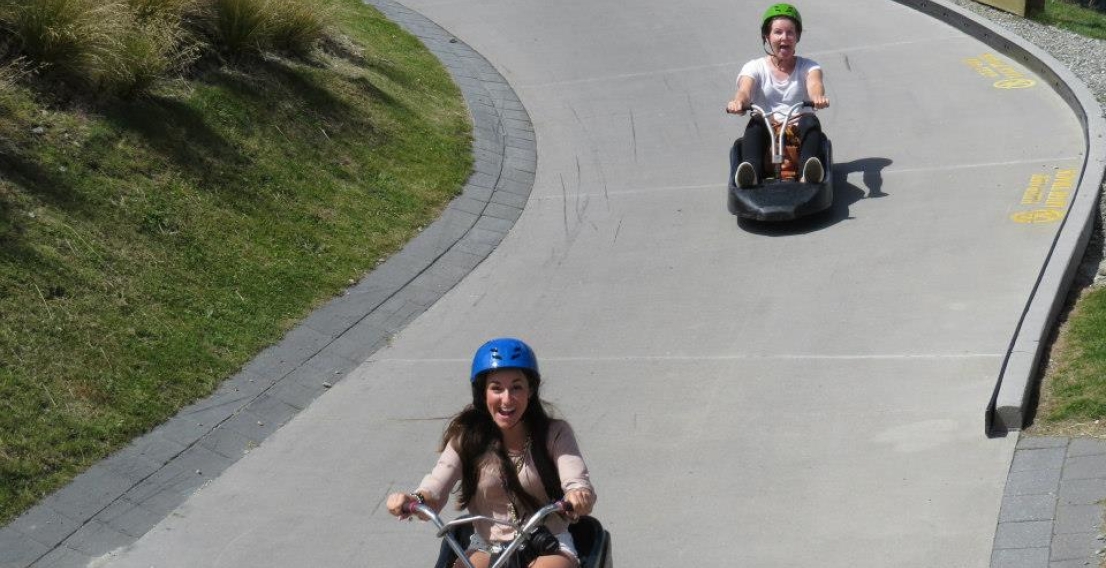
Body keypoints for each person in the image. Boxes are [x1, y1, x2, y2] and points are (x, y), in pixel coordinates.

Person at [386, 338, 597, 568]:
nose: (507, 399)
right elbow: (437, 484)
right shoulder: (467, 438)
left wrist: (578, 495)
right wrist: (416, 499)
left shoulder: (554, 433)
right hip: (487, 544)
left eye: (516, 387)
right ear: (483, 393)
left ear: (530, 390)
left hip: (546, 542)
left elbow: (575, 479)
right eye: (496, 388)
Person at [726, 3, 830, 187]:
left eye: (790, 33)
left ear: (797, 36)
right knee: (756, 122)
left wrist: (817, 97)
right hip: (767, 128)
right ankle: (751, 172)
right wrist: (739, 102)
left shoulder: (809, 66)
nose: (784, 37)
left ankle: (808, 172)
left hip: (798, 130)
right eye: (778, 32)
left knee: (810, 121)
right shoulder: (755, 67)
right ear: (767, 36)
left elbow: (815, 84)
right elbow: (744, 90)